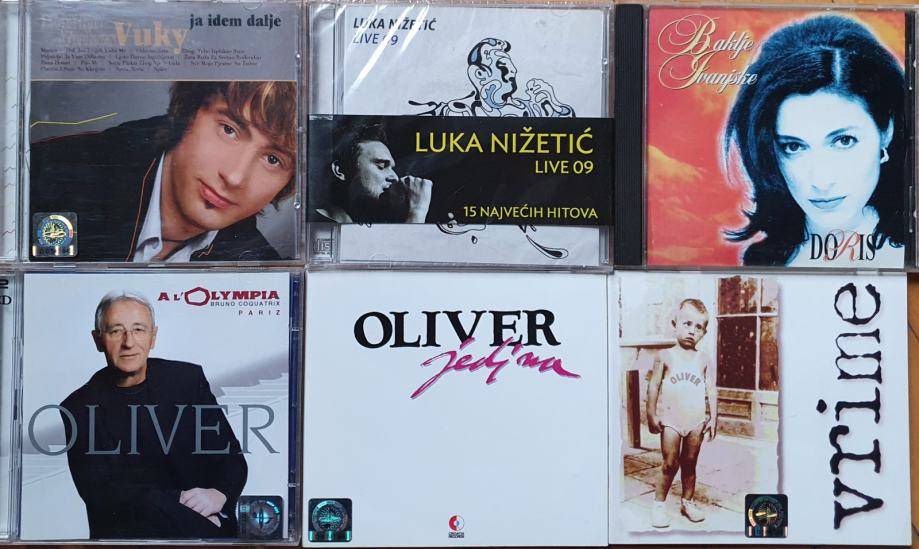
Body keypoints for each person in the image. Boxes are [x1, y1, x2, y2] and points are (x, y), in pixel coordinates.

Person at [30, 81, 296, 262]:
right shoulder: (48, 178)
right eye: (229, 130)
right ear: (189, 111)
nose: (235, 176)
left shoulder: (261, 269)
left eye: (273, 159)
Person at [60, 291, 247, 539]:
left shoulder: (188, 381)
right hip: (132, 541)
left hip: (208, 528)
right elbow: (105, 493)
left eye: (139, 330)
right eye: (116, 331)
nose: (129, 342)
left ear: (153, 337)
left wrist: (218, 495)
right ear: (98, 340)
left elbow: (230, 457)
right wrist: (189, 511)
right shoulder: (78, 407)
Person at [723, 15, 907, 266]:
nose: (821, 182)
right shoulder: (761, 262)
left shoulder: (907, 258)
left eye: (844, 141)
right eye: (794, 147)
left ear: (886, 131)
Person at [646, 299, 717, 528]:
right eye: (687, 324)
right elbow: (654, 386)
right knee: (669, 464)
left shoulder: (703, 359)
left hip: (696, 421)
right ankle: (658, 505)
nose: (692, 331)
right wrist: (650, 414)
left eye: (699, 327)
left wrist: (714, 417)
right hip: (671, 421)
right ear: (674, 324)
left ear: (704, 333)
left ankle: (688, 502)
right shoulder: (665, 356)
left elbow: (711, 389)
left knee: (690, 463)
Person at [409, 38, 575, 118]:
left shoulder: (529, 108)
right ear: (479, 74)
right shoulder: (459, 111)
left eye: (511, 65)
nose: (513, 71)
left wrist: (553, 104)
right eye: (502, 65)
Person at [317, 121, 433, 223]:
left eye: (392, 168)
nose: (395, 177)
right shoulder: (315, 224)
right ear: (341, 170)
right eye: (381, 166)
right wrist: (418, 211)